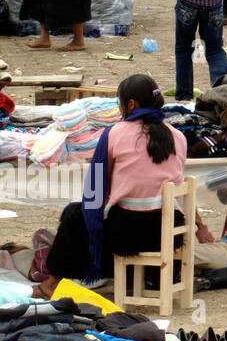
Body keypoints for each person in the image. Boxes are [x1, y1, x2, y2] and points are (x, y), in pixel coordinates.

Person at [40, 75, 186, 293]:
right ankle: (137, 278)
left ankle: (51, 285)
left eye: (120, 103)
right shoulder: (179, 136)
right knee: (106, 215)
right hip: (169, 232)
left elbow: (96, 188)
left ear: (131, 104)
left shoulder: (114, 134)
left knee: (76, 217)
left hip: (129, 236)